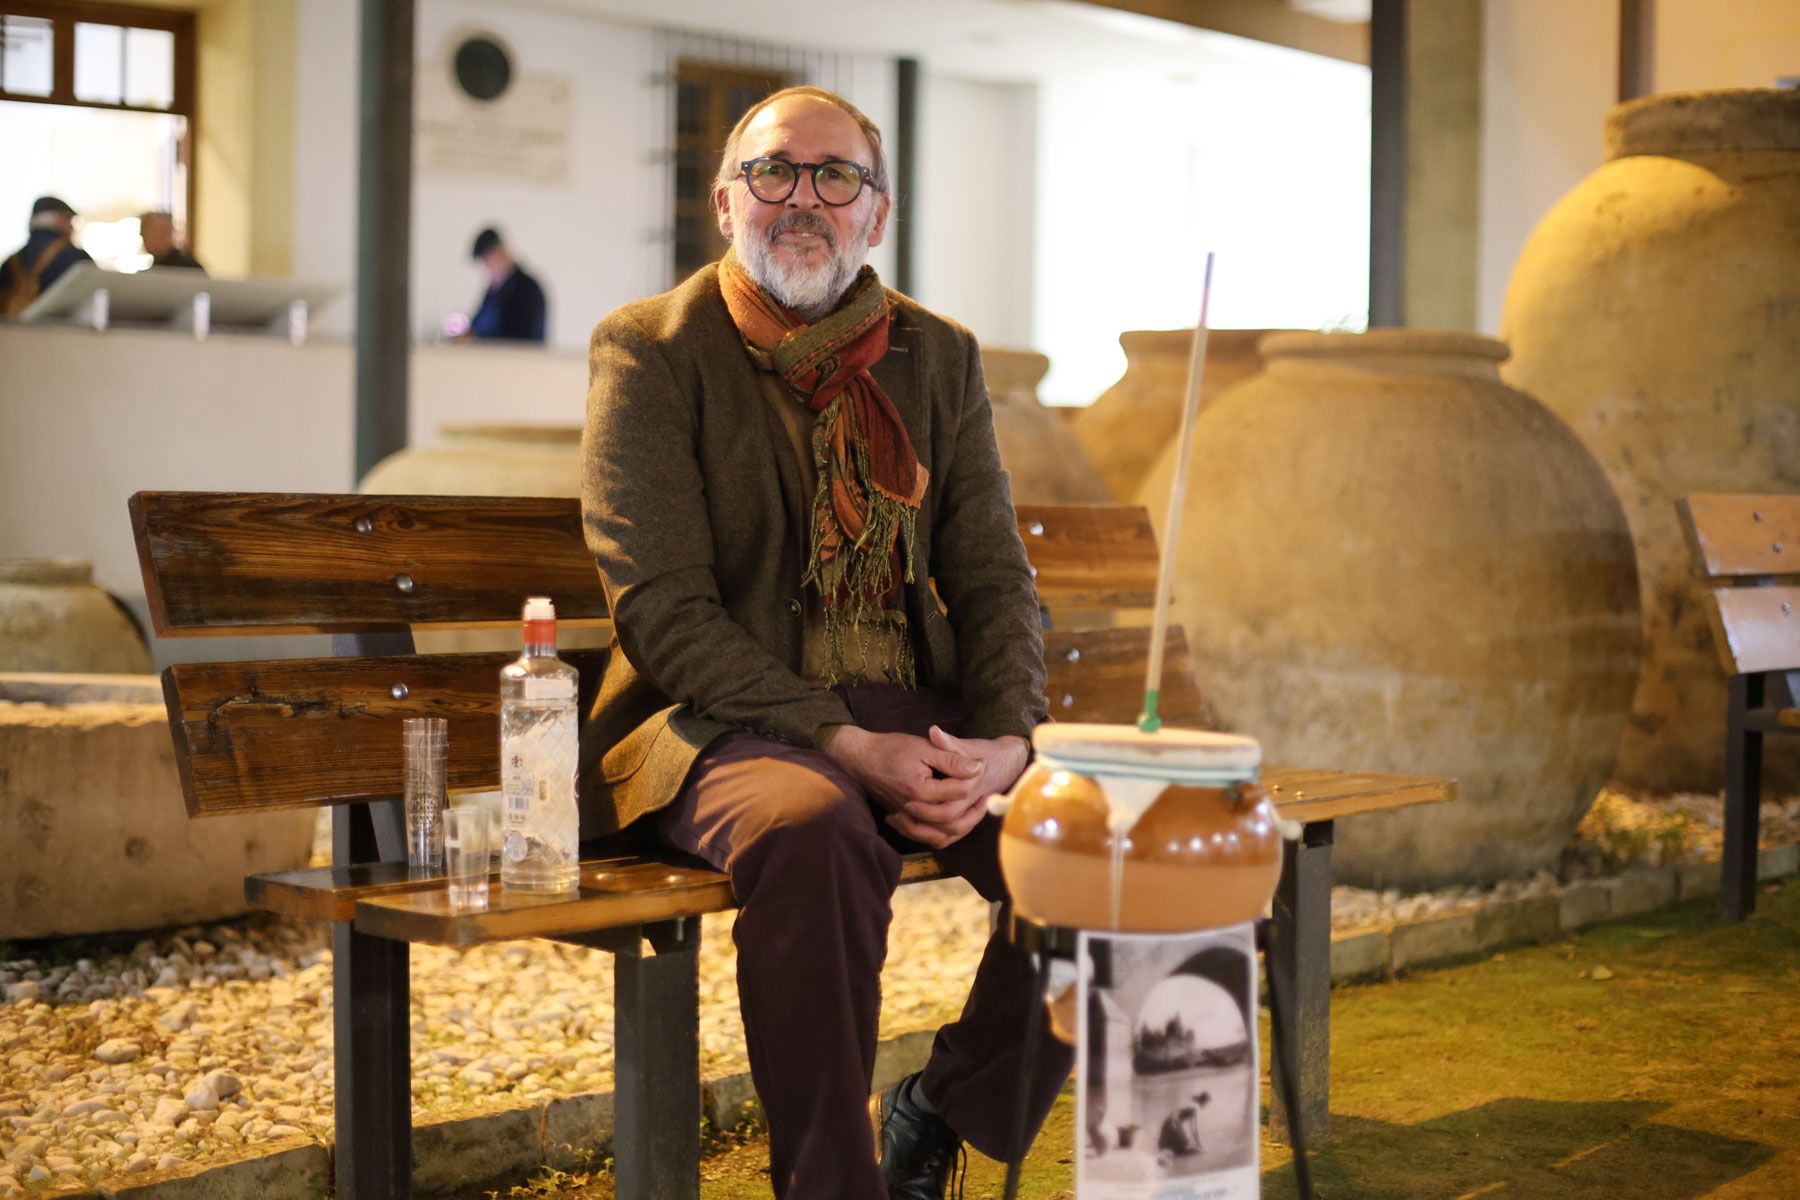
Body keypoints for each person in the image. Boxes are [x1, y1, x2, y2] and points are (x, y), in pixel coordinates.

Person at [579, 85, 1072, 1200]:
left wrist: (1006, 742)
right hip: (715, 725)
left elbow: (993, 577)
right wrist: (844, 744)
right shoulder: (651, 350)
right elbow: (662, 612)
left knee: (1097, 846)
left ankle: (944, 1109)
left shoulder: (936, 356)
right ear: (725, 202)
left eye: (834, 175)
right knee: (816, 829)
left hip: (914, 708)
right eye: (774, 172)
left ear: (876, 214)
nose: (802, 197)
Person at [1, 197, 93, 317]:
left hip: (13, 333)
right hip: (60, 333)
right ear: (57, 220)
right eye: (69, 219)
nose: (72, 227)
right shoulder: (76, 257)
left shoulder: (11, 262)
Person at [467, 226, 547, 342]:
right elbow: (477, 325)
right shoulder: (493, 291)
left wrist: (477, 338)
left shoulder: (528, 290)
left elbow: (522, 338)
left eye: (488, 260)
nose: (487, 267)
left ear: (501, 252)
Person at [139, 211, 204, 272]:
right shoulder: (154, 269)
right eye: (142, 232)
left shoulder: (189, 269)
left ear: (166, 232)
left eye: (148, 231)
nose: (143, 236)